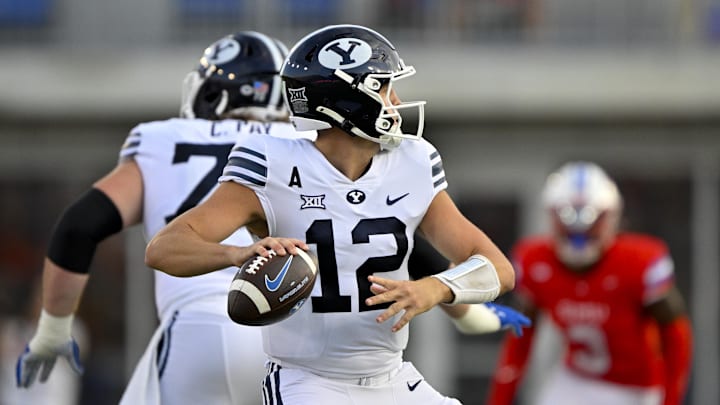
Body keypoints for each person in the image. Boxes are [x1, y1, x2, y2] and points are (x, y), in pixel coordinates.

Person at [145, 24, 516, 405]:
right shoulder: (273, 164)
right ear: (348, 101)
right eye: (384, 88)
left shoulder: (414, 162)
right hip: (308, 383)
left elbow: (498, 269)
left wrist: (436, 288)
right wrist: (237, 254)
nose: (396, 100)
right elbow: (164, 248)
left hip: (393, 376)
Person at [15, 31, 303, 405]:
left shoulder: (164, 138)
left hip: (197, 330)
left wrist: (53, 330)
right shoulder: (304, 145)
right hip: (292, 337)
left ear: (212, 91)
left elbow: (79, 226)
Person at [486, 161, 693, 405]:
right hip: (577, 379)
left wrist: (671, 400)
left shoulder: (639, 262)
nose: (578, 233)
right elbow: (521, 337)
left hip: (637, 387)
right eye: (567, 219)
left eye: (591, 221)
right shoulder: (535, 261)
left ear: (612, 218)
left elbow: (676, 334)